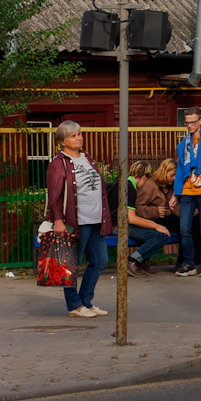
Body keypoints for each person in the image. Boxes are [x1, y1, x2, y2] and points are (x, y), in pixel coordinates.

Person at [44, 121, 112, 318]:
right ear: (62, 141)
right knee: (71, 264)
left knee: (100, 261)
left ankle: (85, 301)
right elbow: (54, 196)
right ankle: (74, 305)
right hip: (76, 222)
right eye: (73, 135)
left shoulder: (86, 158)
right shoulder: (58, 164)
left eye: (79, 134)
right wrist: (58, 220)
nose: (79, 138)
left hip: (95, 219)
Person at [173, 106, 201, 277]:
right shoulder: (184, 143)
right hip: (187, 191)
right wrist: (175, 194)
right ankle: (189, 263)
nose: (189, 126)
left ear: (200, 121)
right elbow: (180, 168)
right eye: (187, 122)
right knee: (184, 228)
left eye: (192, 122)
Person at [109, 160, 172, 277]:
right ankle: (132, 261)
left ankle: (140, 261)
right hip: (117, 227)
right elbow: (131, 219)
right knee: (161, 236)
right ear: (143, 177)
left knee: (152, 233)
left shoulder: (120, 183)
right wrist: (157, 226)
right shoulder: (129, 188)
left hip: (111, 225)